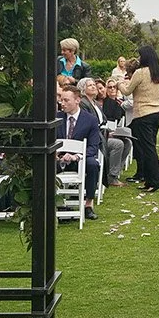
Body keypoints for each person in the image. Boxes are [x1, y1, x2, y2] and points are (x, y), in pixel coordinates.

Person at [121, 44, 159, 192]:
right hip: (157, 112)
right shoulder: (158, 74)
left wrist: (119, 83)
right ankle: (148, 180)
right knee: (149, 146)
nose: (139, 59)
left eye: (140, 56)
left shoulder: (140, 73)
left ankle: (156, 181)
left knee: (148, 148)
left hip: (143, 113)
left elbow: (127, 91)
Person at [56, 85, 101, 220]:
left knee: (93, 164)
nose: (62, 103)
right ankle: (57, 203)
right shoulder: (56, 118)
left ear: (77, 100)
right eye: (61, 100)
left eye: (66, 100)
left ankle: (88, 204)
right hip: (59, 159)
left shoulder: (90, 120)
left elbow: (94, 147)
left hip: (80, 159)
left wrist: (76, 156)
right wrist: (57, 155)